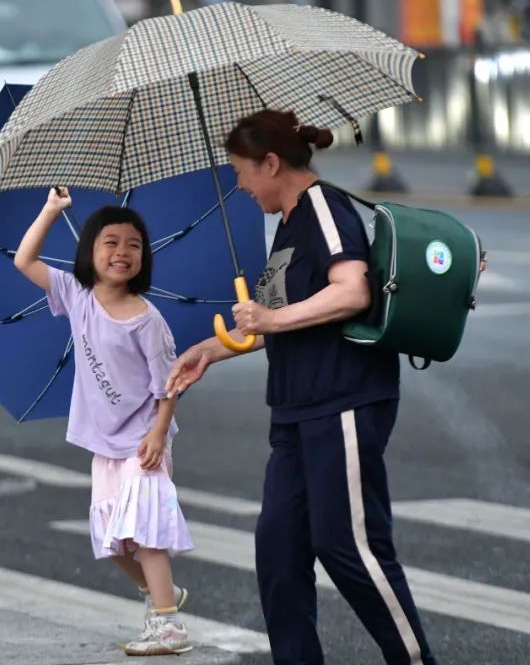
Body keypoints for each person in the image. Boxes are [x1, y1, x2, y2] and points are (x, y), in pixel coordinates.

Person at [166, 110, 438, 665]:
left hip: (342, 399)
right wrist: (211, 353)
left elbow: (352, 292)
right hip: (295, 406)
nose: (239, 186)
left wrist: (271, 321)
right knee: (279, 548)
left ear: (271, 163)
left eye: (242, 172)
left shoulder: (323, 208)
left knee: (349, 546)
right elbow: (281, 314)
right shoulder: (288, 222)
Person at [14, 189, 194, 656]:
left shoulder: (147, 321)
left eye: (133, 245)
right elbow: (24, 260)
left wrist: (158, 434)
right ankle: (162, 596)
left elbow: (169, 385)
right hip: (104, 443)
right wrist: (52, 211)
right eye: (109, 242)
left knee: (147, 532)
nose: (122, 252)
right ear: (89, 253)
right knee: (114, 542)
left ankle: (169, 626)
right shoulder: (76, 295)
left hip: (143, 441)